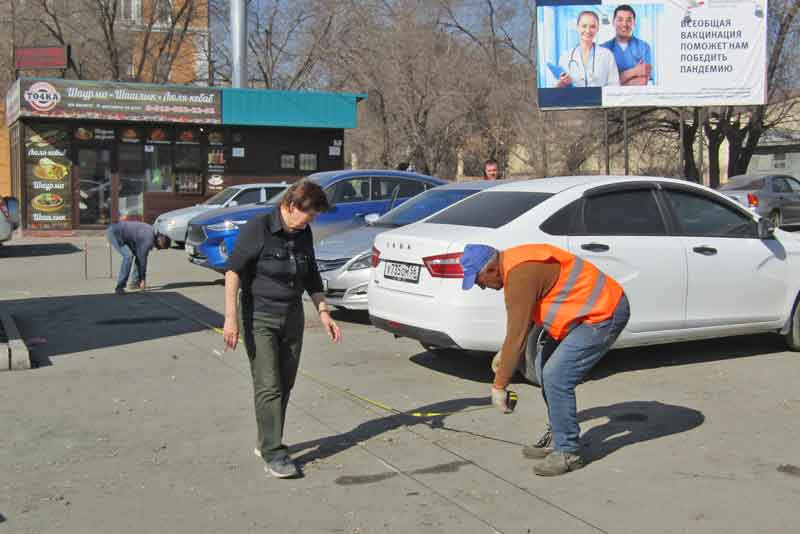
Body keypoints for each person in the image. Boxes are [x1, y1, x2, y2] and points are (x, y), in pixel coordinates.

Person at [460, 243, 630, 476]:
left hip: (603, 312)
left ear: (490, 269)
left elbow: (517, 332)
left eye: (478, 281)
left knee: (556, 376)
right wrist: (505, 353)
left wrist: (499, 385)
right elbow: (525, 319)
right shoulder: (512, 266)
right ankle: (560, 434)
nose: (481, 287)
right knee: (542, 369)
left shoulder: (520, 274)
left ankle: (568, 452)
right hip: (578, 315)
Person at [223, 180, 342, 479]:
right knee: (269, 385)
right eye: (309, 214)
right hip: (259, 316)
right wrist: (230, 319)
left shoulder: (303, 233)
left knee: (285, 383)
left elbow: (311, 274)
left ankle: (266, 439)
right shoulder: (258, 228)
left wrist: (324, 312)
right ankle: (275, 453)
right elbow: (233, 271)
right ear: (291, 206)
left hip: (292, 316)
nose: (311, 221)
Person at [555, 11, 620, 88]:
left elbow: (614, 86)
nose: (588, 30)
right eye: (584, 26)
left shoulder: (607, 55)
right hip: (573, 99)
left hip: (600, 99)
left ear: (597, 29)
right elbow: (557, 88)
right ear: (577, 27)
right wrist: (560, 84)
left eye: (592, 26)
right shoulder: (566, 56)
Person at [106, 221, 171, 295]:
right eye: (159, 247)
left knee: (138, 255)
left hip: (122, 233)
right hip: (114, 233)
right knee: (128, 256)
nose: (156, 248)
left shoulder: (152, 232)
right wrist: (143, 279)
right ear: (159, 241)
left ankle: (135, 283)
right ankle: (120, 287)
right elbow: (143, 261)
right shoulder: (148, 239)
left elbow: (140, 256)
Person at [601, 5, 653, 86]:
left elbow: (643, 81)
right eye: (620, 19)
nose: (624, 24)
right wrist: (635, 71)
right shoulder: (603, 48)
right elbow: (602, 83)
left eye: (629, 20)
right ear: (613, 22)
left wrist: (616, 80)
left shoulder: (644, 47)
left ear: (634, 23)